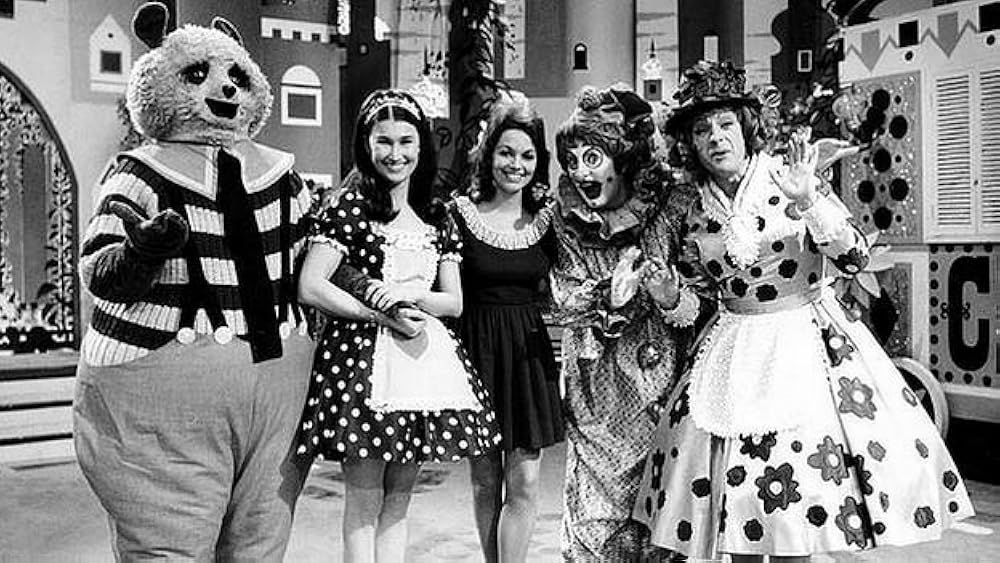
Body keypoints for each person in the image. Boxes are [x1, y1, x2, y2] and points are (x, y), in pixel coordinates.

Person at [633, 60, 974, 562]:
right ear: (690, 142)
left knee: (798, 515)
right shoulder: (689, 207)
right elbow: (700, 302)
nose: (716, 138)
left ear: (747, 127)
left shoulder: (788, 176)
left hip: (806, 348)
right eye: (702, 129)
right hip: (733, 354)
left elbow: (854, 258)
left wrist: (809, 199)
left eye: (726, 124)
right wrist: (668, 296)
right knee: (740, 518)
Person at [74, 6, 314, 560]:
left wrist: (374, 293)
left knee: (261, 538)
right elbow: (100, 271)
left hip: (277, 390)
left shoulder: (281, 175)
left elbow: (314, 260)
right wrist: (140, 252)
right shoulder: (140, 174)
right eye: (197, 74)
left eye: (236, 76)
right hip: (163, 390)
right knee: (167, 540)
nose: (225, 88)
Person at [294, 89, 502, 563]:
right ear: (365, 144)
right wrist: (377, 312)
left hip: (422, 363)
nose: (396, 153)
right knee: (364, 501)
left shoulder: (437, 213)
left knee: (400, 499)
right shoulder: (349, 207)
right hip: (361, 364)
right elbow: (311, 284)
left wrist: (411, 298)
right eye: (383, 141)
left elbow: (454, 302)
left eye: (406, 141)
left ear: (421, 145)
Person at [550, 85, 688, 561]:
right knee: (595, 524)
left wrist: (669, 294)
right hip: (597, 392)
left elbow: (703, 281)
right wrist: (608, 296)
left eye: (592, 158)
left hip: (663, 384)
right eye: (572, 161)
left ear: (623, 158)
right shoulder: (565, 221)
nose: (580, 173)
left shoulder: (669, 207)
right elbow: (563, 299)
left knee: (661, 522)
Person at [450, 94, 564, 562]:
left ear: (539, 162)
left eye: (527, 155)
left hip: (527, 356)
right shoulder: (460, 213)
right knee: (485, 480)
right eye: (506, 152)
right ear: (488, 153)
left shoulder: (549, 220)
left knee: (526, 481)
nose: (516, 164)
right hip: (475, 351)